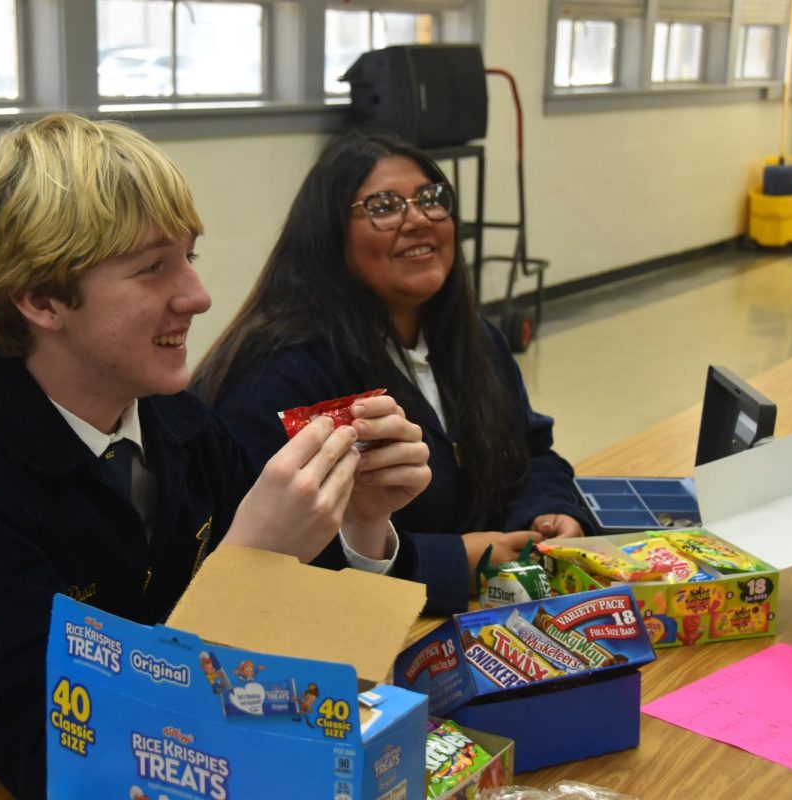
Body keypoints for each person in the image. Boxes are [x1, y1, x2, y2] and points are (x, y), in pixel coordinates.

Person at [0, 114, 430, 799]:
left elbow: (304, 653)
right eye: (153, 268)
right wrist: (246, 567)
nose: (198, 295)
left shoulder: (177, 420)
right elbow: (69, 762)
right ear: (39, 299)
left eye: (190, 256)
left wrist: (359, 524)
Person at [192, 128, 593, 615]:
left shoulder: (476, 339)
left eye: (430, 199)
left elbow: (530, 451)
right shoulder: (279, 372)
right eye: (383, 206)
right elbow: (280, 557)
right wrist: (450, 563)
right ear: (329, 235)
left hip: (493, 612)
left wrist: (549, 511)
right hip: (368, 636)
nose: (418, 219)